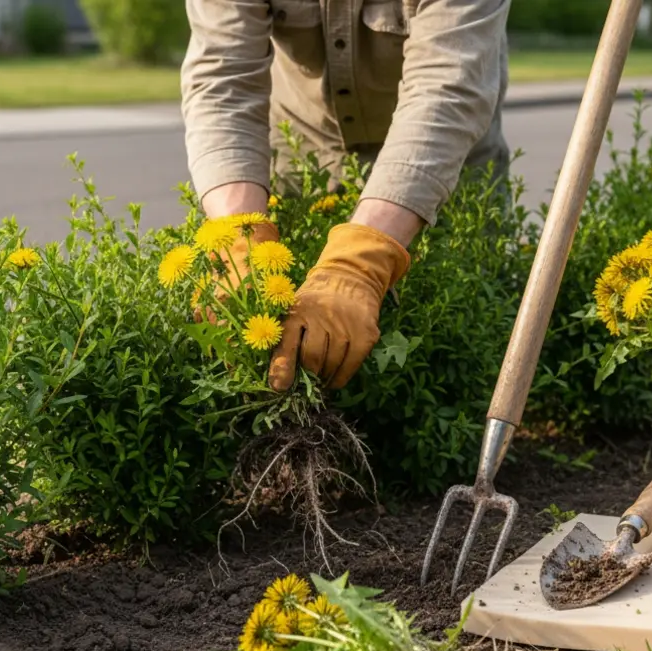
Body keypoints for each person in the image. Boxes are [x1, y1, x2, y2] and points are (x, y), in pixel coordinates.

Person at [181, 0, 511, 391]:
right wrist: (239, 234)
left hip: (442, 173)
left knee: (460, 365)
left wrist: (361, 261)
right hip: (303, 165)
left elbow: (447, 88)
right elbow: (223, 81)